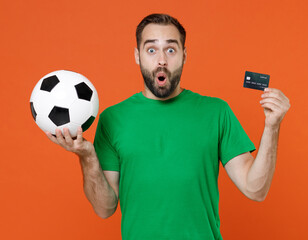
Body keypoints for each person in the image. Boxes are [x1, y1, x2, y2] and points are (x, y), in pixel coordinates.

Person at [46, 13, 290, 240]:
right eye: (151, 49)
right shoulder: (113, 118)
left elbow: (255, 189)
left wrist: (272, 127)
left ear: (184, 55)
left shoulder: (216, 112)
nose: (161, 60)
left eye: (170, 50)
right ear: (137, 55)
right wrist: (87, 156)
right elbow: (104, 208)